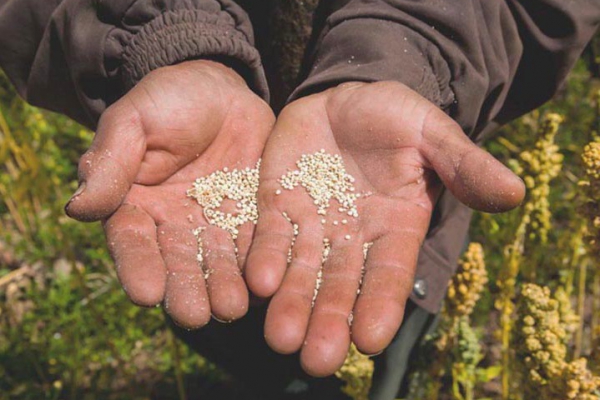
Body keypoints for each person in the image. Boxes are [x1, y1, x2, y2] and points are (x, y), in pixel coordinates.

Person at [0, 0, 599, 398]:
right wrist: (164, 37)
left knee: (374, 354)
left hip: (390, 207)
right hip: (201, 195)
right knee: (237, 334)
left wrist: (412, 53)